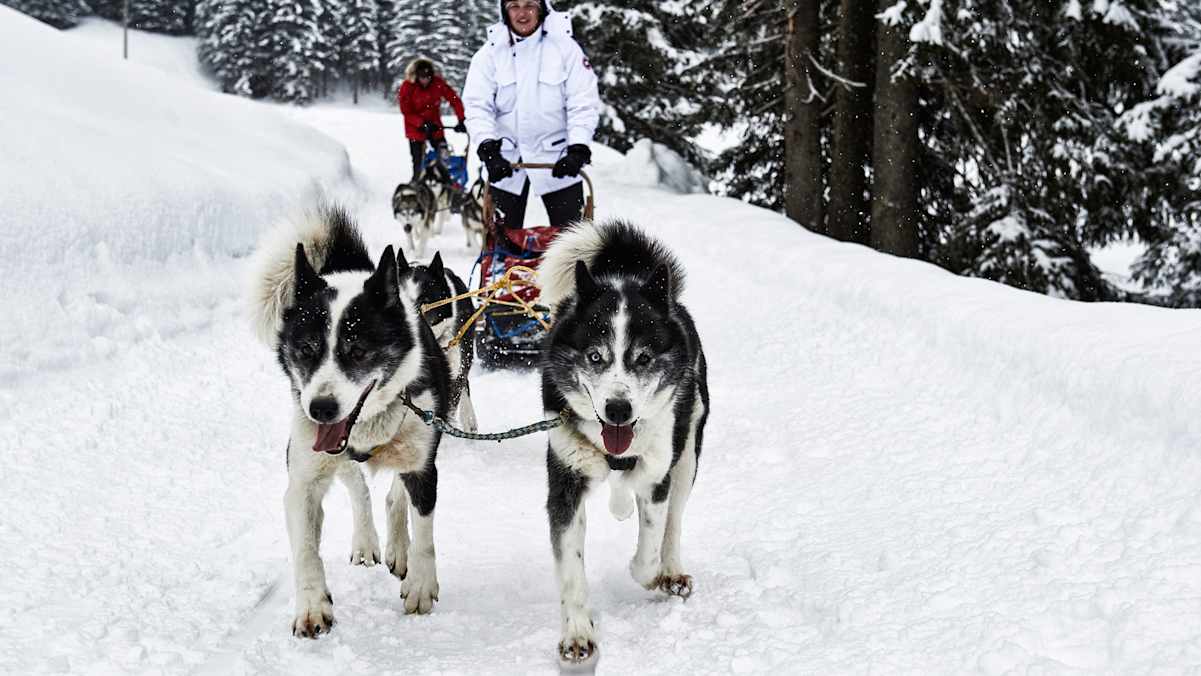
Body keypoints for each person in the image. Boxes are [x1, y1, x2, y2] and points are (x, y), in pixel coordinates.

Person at [462, 0, 600, 229]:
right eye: (514, 6)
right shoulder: (489, 54)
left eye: (529, 5)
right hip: (506, 164)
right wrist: (488, 148)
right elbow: (478, 106)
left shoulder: (566, 49)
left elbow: (582, 103)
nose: (522, 13)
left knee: (573, 244)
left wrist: (578, 147)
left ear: (542, 9)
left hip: (558, 161)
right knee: (502, 244)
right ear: (505, 12)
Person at [398, 57, 467, 180]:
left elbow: (454, 99)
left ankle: (446, 184)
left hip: (435, 128)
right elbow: (406, 112)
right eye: (422, 77)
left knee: (444, 158)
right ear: (416, 76)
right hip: (415, 131)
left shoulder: (437, 83)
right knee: (419, 163)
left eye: (428, 77)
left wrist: (461, 119)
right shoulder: (407, 86)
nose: (425, 80)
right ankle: (418, 184)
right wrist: (421, 123)